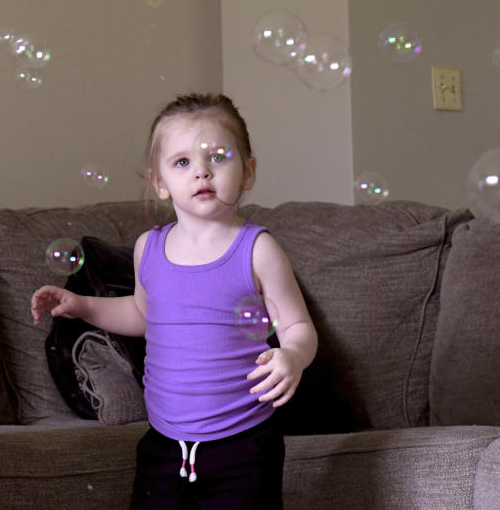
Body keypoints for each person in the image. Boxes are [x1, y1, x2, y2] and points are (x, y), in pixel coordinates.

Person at [31, 93, 317, 509]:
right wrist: (83, 306)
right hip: (164, 444)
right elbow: (142, 314)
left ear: (248, 171)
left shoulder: (257, 249)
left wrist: (292, 355)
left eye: (218, 156)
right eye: (182, 162)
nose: (201, 171)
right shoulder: (149, 248)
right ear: (160, 183)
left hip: (244, 443)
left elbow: (297, 326)